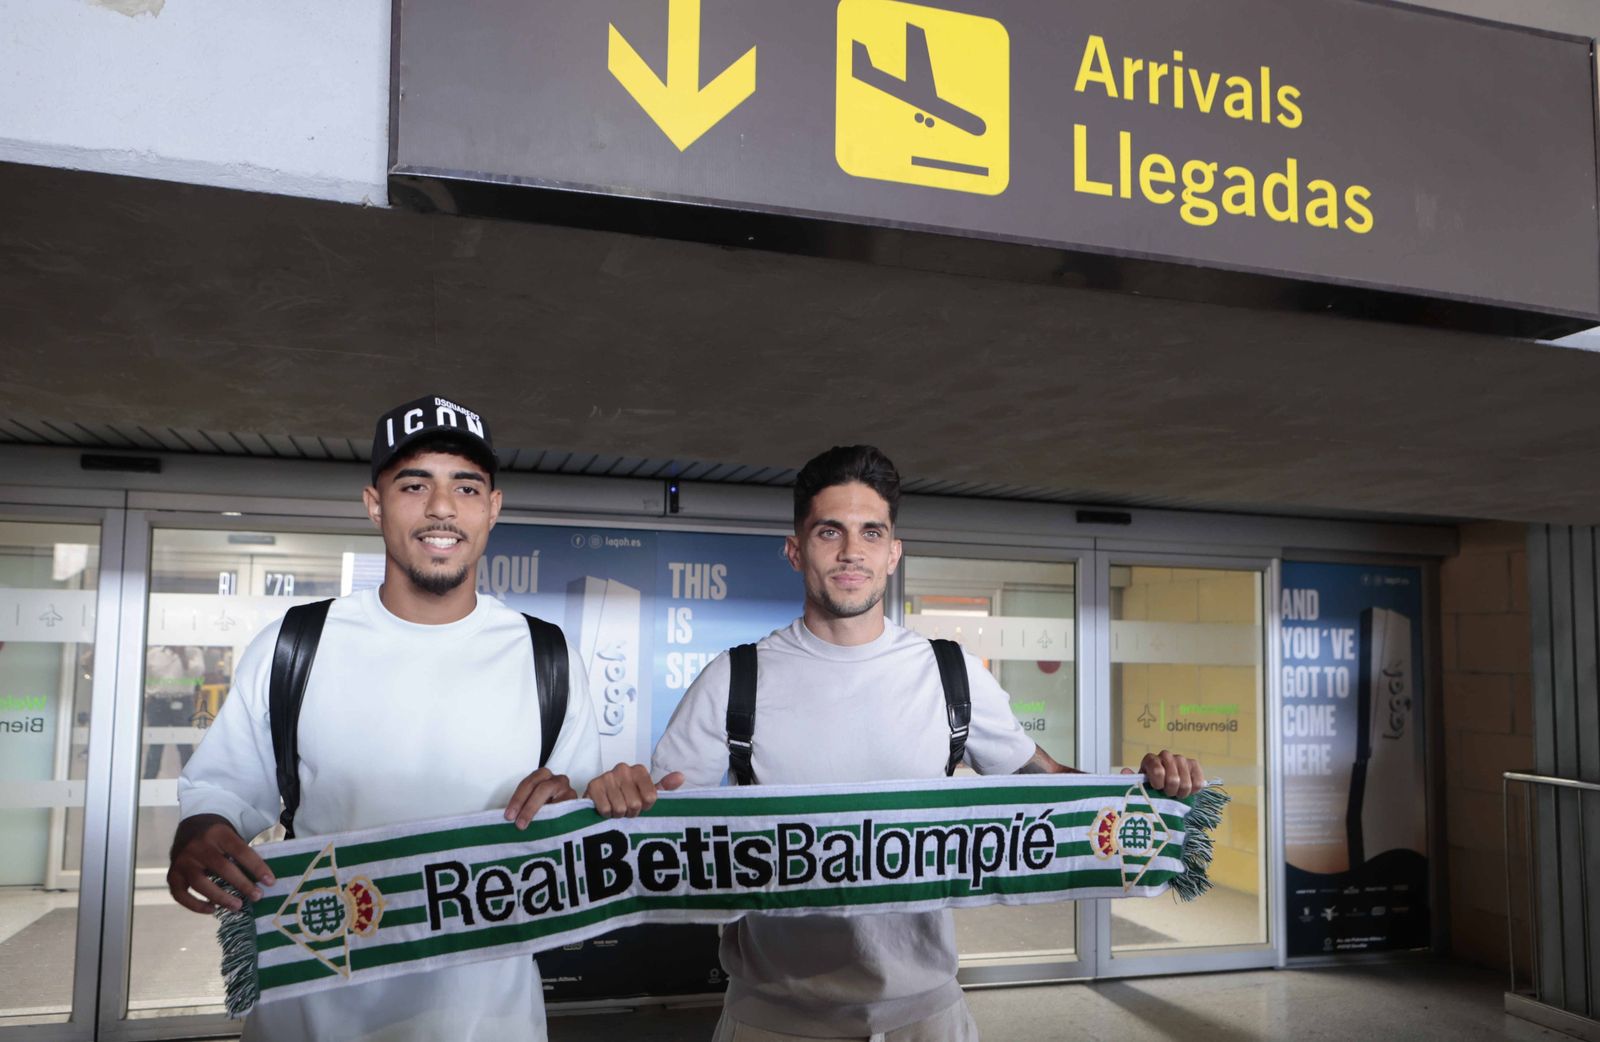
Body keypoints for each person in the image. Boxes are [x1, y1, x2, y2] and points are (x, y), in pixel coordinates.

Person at [585, 445, 1204, 1042]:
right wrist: (619, 793)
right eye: (830, 532)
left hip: (927, 1017)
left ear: (894, 553)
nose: (852, 552)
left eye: (871, 533)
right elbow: (659, 823)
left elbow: (1048, 783)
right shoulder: (734, 677)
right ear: (795, 550)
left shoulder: (951, 672)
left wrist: (1140, 792)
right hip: (773, 1020)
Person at [170, 395, 602, 1042]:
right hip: (314, 1013)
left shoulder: (548, 657)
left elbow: (581, 841)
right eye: (413, 484)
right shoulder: (298, 643)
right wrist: (200, 830)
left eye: (466, 485)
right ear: (374, 504)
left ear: (493, 508)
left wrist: (576, 813)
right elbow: (223, 792)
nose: (441, 508)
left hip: (487, 1019)